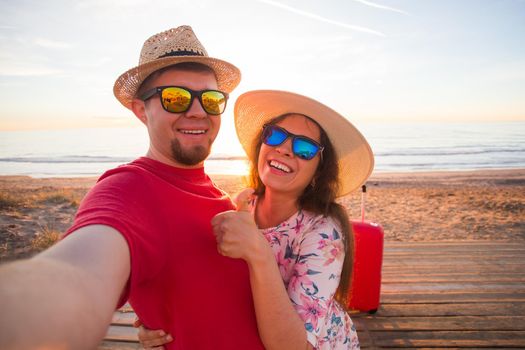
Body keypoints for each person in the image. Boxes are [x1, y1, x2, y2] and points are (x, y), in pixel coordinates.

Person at [0, 26, 267, 350]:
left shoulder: (214, 192)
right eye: (175, 97)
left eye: (211, 99)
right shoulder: (128, 190)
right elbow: (75, 275)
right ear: (141, 110)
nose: (198, 111)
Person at [137, 90, 374, 350]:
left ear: (318, 172)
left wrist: (258, 251)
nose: (284, 149)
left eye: (304, 148)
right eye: (275, 135)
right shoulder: (242, 205)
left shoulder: (324, 233)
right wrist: (158, 318)